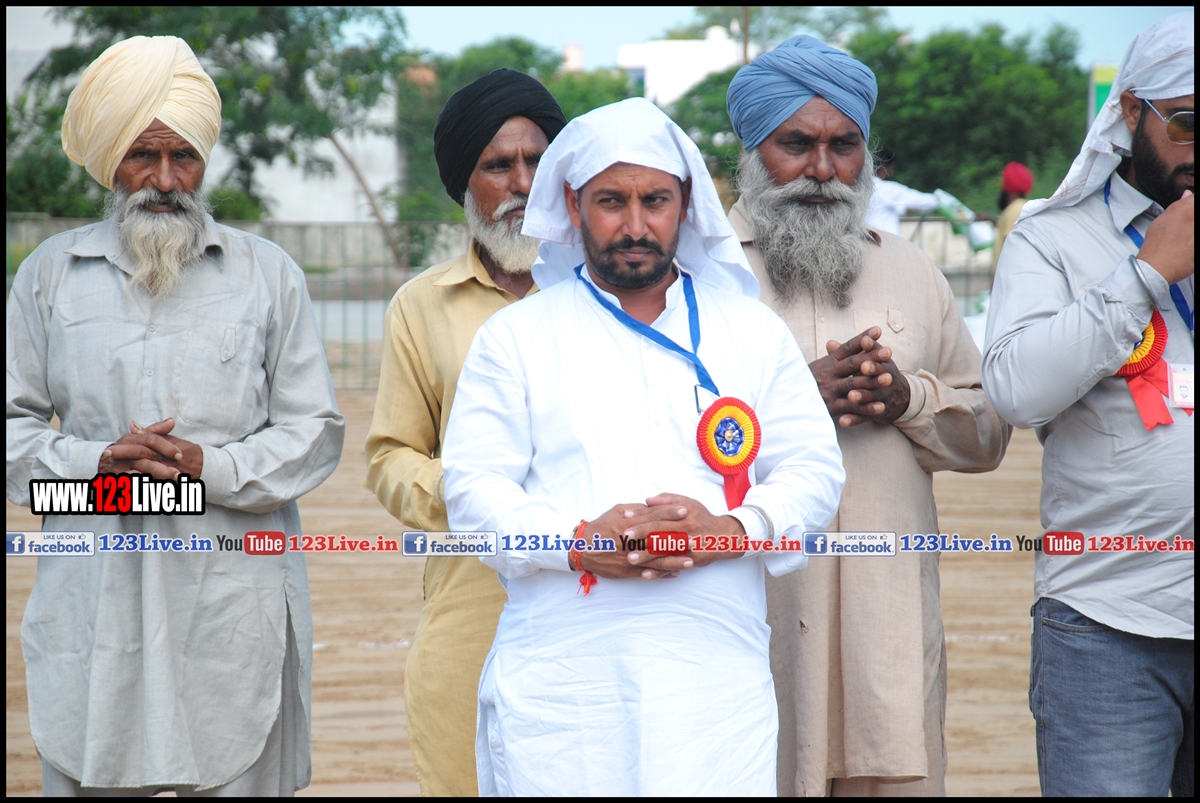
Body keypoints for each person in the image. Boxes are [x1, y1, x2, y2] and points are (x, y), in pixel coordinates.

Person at [441, 97, 846, 795]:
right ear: (573, 204)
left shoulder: (750, 330)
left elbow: (813, 470)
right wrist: (574, 543)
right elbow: (473, 492)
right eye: (611, 202)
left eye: (655, 201)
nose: (635, 226)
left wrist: (733, 529)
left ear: (685, 203)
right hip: (565, 685)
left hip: (712, 686)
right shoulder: (516, 337)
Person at [5, 36, 345, 796]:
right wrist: (94, 463)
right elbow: (11, 430)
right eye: (142, 156)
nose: (164, 181)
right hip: (95, 592)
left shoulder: (267, 275)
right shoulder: (50, 275)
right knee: (92, 753)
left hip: (229, 595)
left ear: (204, 160)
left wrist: (207, 467)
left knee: (237, 751)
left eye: (183, 157)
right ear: (109, 161)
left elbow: (315, 433)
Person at [725, 35, 1012, 796]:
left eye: (844, 146)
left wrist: (906, 399)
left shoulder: (912, 269)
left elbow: (989, 433)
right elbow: (650, 431)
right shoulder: (700, 274)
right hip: (750, 627)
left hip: (888, 630)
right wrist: (792, 401)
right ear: (751, 150)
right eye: (796, 145)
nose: (822, 169)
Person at [982, 12, 1193, 797]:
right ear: (1132, 111)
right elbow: (1016, 389)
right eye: (1188, 123)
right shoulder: (1052, 239)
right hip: (1108, 623)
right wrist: (1144, 276)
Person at [363, 68, 566, 797]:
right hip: (472, 597)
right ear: (463, 184)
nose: (522, 183)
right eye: (498, 165)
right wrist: (477, 493)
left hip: (596, 593)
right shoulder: (421, 306)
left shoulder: (611, 291)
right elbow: (391, 456)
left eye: (537, 160)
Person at [863, 149, 940, 236]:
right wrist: (939, 198)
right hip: (886, 240)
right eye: (891, 168)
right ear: (885, 168)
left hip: (864, 240)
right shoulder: (886, 189)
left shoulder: (860, 188)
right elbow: (920, 201)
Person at [991, 162, 1034, 272]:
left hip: (1006, 275)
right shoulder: (1023, 206)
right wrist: (991, 219)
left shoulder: (1013, 209)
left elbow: (1009, 241)